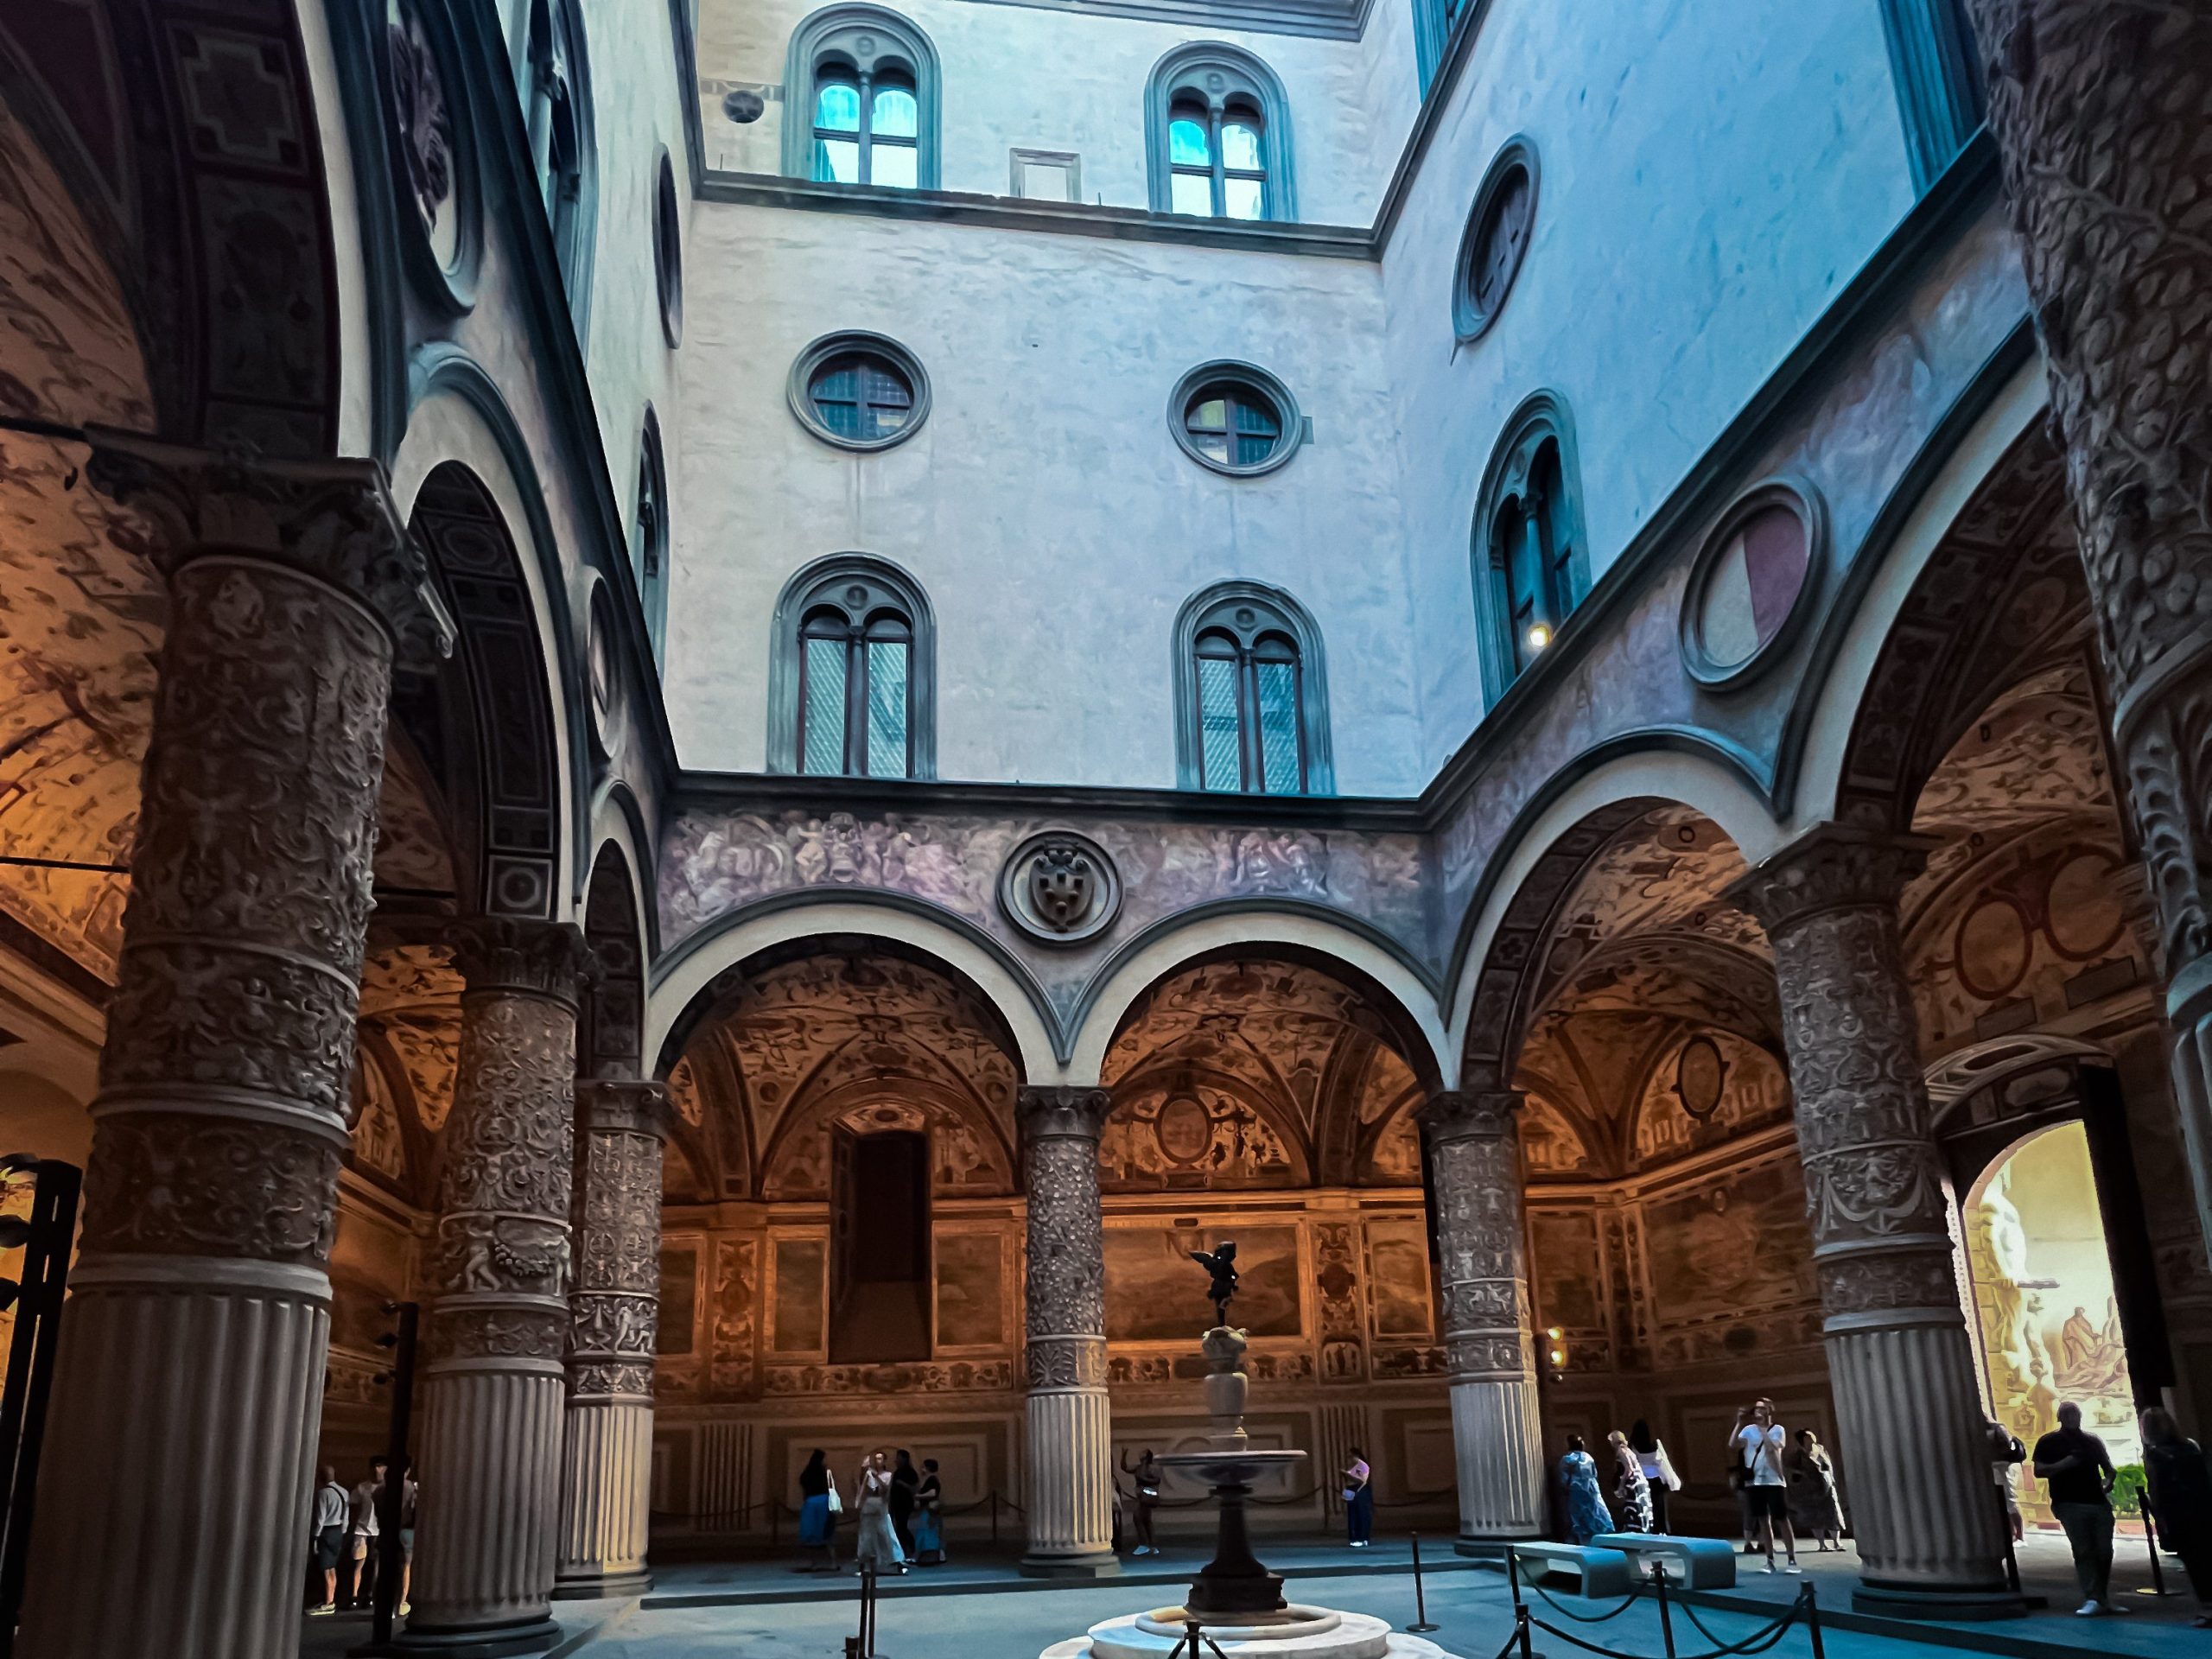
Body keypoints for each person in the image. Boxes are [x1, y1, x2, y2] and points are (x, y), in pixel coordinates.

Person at [2034, 1400, 2126, 1616]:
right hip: (2068, 1502)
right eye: (2067, 1414)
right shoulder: (2049, 1442)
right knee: (2084, 1550)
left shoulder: (2092, 1442)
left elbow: (2108, 1468)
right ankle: (2093, 1596)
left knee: (2105, 1550)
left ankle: (2102, 1596)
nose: (2072, 1418)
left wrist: (2108, 1482)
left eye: (2074, 1413)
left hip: (2097, 1501)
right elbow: (2039, 1470)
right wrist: (2064, 1464)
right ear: (2060, 1417)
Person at [2143, 1407, 2212, 1627]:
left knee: (2194, 1561)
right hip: (2203, 1507)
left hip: (2179, 1512)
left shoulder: (2155, 1453)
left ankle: (2208, 1606)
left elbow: (2157, 1487)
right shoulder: (2191, 1446)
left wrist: (2159, 1514)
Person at [1730, 1400, 1799, 1573]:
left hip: (1774, 1480)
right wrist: (1739, 1423)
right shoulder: (1748, 1430)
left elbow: (1772, 1449)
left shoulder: (1778, 1430)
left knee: (1781, 1518)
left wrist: (1764, 1431)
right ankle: (1769, 1559)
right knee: (1762, 1520)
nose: (1758, 1411)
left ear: (1769, 1410)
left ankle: (1791, 1559)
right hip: (1754, 1482)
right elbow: (1733, 1444)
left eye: (1762, 1408)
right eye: (1756, 1408)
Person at [1783, 1428, 1844, 1551]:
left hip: (1827, 1486)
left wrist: (1832, 1479)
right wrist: (1802, 1474)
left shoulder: (1820, 1449)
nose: (1811, 1439)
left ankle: (1836, 1542)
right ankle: (1822, 1544)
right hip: (1810, 1490)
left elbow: (1829, 1465)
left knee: (1833, 1514)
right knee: (1815, 1516)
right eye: (1808, 1438)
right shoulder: (1798, 1454)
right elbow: (1788, 1467)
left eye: (1812, 1436)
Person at [854, 1451, 906, 1574]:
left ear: (884, 1461)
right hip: (869, 1505)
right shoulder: (868, 1474)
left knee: (887, 1534)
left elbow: (885, 1490)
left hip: (881, 1505)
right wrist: (863, 1470)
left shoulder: (888, 1474)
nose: (878, 1461)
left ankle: (898, 1562)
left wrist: (876, 1476)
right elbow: (862, 1486)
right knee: (866, 1536)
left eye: (880, 1459)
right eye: (876, 1459)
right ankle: (863, 1565)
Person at [346, 1457, 386, 1611]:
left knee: (375, 1564)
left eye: (381, 1467)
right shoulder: (363, 1487)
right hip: (362, 1529)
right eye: (376, 1467)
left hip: (378, 1530)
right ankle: (354, 1596)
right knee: (359, 1563)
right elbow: (353, 1505)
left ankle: (370, 1595)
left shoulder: (386, 1487)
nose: (378, 1471)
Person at [307, 1465, 349, 1615]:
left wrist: (315, 1536)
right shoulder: (344, 1492)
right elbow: (346, 1517)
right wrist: (342, 1533)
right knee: (332, 1567)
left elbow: (320, 1517)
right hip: (338, 1530)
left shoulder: (323, 1493)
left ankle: (328, 1602)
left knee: (325, 1568)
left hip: (326, 1531)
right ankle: (331, 1599)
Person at [1628, 1421, 1681, 1535]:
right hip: (1657, 1481)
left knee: (1645, 1507)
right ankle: (1661, 1530)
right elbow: (1664, 1463)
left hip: (1641, 1481)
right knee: (1659, 1507)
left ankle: (1648, 1530)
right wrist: (1670, 1481)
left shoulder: (1632, 1445)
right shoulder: (1655, 1444)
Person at [1560, 1435, 1610, 1544]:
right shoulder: (1588, 1457)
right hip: (1591, 1489)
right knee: (1595, 1512)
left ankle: (1581, 1539)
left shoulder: (1567, 1459)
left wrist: (1565, 1488)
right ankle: (1600, 1536)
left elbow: (1564, 1478)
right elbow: (1594, 1474)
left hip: (1576, 1490)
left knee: (1578, 1515)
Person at [1984, 1417, 2026, 1543]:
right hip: (1995, 1466)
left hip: (2001, 1466)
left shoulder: (1996, 1429)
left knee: (2009, 1501)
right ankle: (2012, 1532)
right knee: (2003, 1502)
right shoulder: (1993, 1429)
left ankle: (2018, 1534)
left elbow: (2006, 1448)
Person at [797, 1449, 837, 1573]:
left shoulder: (807, 1473)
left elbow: (803, 1483)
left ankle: (814, 1563)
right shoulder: (825, 1472)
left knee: (813, 1536)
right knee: (827, 1534)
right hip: (824, 1502)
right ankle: (833, 1563)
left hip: (811, 1503)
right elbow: (831, 1486)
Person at [1606, 1431, 1652, 1532]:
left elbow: (1629, 1469)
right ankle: (1643, 1529)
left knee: (1633, 1508)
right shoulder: (1628, 1450)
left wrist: (1621, 1486)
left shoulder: (1621, 1451)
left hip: (1634, 1484)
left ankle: (1635, 1530)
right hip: (1640, 1482)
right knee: (1640, 1507)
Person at [1122, 1448, 1161, 1556]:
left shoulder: (1151, 1468)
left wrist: (1143, 1478)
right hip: (1142, 1496)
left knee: (1138, 1518)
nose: (1140, 1455)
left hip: (1147, 1496)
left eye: (1143, 1454)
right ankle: (1152, 1546)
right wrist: (1124, 1455)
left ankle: (1144, 1544)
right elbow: (1125, 1468)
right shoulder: (1140, 1467)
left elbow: (1156, 1480)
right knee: (1146, 1520)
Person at [912, 1458, 946, 1566]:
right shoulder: (936, 1478)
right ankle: (939, 1556)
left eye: (923, 1466)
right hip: (932, 1509)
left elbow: (932, 1493)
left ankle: (920, 1556)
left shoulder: (932, 1479)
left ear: (928, 1468)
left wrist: (918, 1496)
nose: (921, 1469)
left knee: (925, 1531)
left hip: (928, 1509)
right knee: (933, 1531)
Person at [889, 1449, 919, 1557]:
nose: (896, 1460)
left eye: (898, 1457)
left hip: (905, 1503)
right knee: (900, 1527)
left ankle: (909, 1547)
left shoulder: (910, 1472)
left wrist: (903, 1484)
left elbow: (915, 1488)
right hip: (896, 1503)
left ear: (904, 1459)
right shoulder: (897, 1472)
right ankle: (904, 1548)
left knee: (902, 1527)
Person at [1343, 1446, 1373, 1548]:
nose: (1349, 1459)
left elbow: (1361, 1481)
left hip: (1360, 1490)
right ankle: (1354, 1538)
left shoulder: (1362, 1466)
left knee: (1361, 1514)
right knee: (1352, 1515)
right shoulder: (1350, 1467)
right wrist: (1345, 1495)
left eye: (1351, 1456)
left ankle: (1363, 1537)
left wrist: (1348, 1475)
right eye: (1348, 1457)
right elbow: (1348, 1483)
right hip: (1351, 1489)